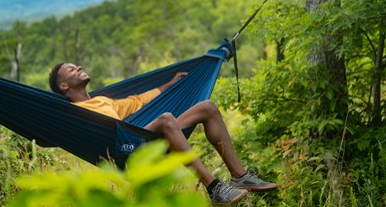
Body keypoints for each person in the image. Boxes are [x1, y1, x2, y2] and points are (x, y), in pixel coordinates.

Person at [49, 62, 277, 205]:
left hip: (138, 138)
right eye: (71, 70)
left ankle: (240, 176)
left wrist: (169, 85)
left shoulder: (102, 101)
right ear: (64, 87)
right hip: (123, 151)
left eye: (77, 66)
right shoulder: (73, 113)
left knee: (207, 107)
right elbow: (48, 130)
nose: (78, 68)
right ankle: (214, 188)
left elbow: (136, 101)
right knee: (167, 119)